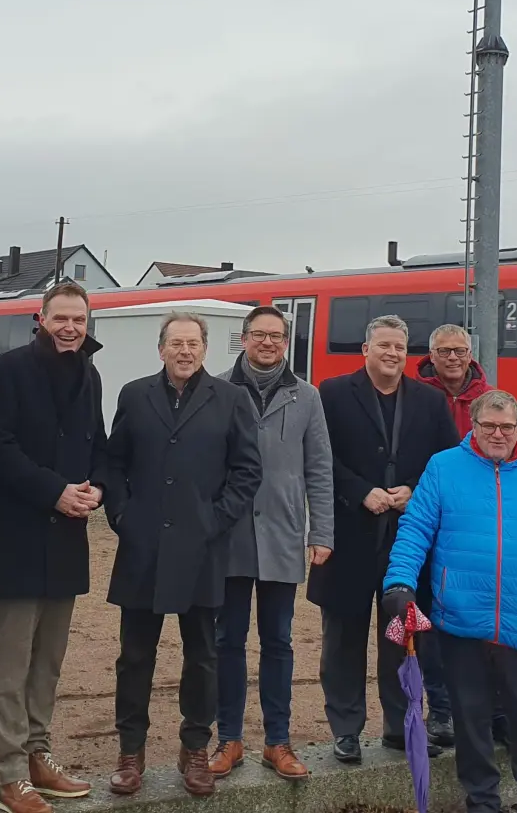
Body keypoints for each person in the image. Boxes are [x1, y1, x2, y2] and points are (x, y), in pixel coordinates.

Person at [381, 389, 517, 813]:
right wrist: (399, 582)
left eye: (506, 426)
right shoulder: (444, 468)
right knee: (471, 724)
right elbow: (415, 529)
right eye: (488, 425)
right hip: (460, 621)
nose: (497, 434)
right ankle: (482, 803)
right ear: (472, 426)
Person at [97, 312, 262, 798]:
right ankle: (131, 752)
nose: (185, 351)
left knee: (203, 656)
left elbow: (247, 471)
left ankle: (195, 750)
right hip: (143, 545)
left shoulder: (230, 398)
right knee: (134, 656)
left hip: (202, 548)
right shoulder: (134, 394)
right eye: (176, 343)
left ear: (205, 349)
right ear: (161, 349)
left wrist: (214, 520)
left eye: (193, 343)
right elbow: (114, 459)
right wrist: (122, 515)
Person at [0, 281, 106, 813]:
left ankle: (37, 754)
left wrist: (97, 486)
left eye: (79, 319)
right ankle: (10, 773)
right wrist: (55, 492)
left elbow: (97, 442)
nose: (70, 327)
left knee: (48, 661)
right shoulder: (9, 370)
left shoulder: (90, 374)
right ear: (42, 318)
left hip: (68, 538)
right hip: (20, 535)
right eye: (61, 318)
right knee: (11, 662)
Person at [307, 314, 458, 764]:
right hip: (348, 539)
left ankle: (401, 726)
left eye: (399, 347)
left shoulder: (430, 403)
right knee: (343, 643)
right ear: (366, 350)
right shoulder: (331, 394)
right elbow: (317, 457)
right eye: (384, 345)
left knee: (403, 641)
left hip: (408, 545)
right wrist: (358, 491)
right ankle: (346, 730)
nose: (392, 354)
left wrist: (413, 490)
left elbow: (446, 462)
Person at [207, 306, 334, 781]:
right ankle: (229, 739)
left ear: (286, 342)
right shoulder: (216, 389)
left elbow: (320, 468)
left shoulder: (307, 397)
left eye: (276, 336)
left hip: (282, 535)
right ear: (243, 339)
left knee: (278, 641)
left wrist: (321, 532)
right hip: (230, 536)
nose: (267, 342)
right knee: (227, 640)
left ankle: (277, 742)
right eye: (258, 334)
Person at [411, 322, 493, 746]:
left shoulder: (488, 398)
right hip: (429, 516)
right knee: (434, 621)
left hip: (475, 523)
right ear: (432, 355)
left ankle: (483, 710)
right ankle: (440, 711)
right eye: (445, 351)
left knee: (479, 621)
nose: (454, 358)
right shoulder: (415, 395)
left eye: (460, 350)